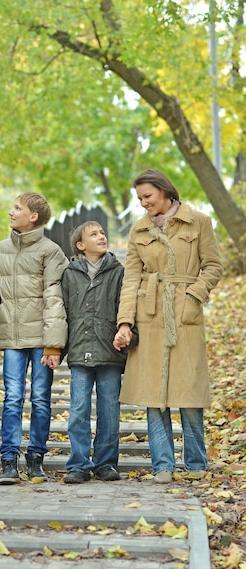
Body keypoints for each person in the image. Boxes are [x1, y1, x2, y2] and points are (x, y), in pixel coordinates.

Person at [113, 169, 222, 484]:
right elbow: (131, 278)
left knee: (188, 391)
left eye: (147, 196)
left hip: (185, 313)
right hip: (150, 314)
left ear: (163, 191)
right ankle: (162, 464)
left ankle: (196, 462)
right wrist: (125, 322)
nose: (143, 203)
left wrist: (194, 295)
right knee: (152, 392)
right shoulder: (139, 230)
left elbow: (213, 265)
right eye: (139, 199)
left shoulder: (198, 221)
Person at [0, 192, 68, 485]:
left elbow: (54, 298)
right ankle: (8, 460)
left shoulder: (51, 251)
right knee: (12, 398)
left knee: (41, 399)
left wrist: (53, 344)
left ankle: (36, 458)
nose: (11, 212)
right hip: (12, 337)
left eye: (17, 208)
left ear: (33, 216)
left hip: (40, 338)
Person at [61, 221, 138, 484]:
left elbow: (128, 308)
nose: (101, 236)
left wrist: (127, 334)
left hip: (110, 352)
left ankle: (106, 462)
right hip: (80, 352)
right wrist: (56, 349)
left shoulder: (119, 272)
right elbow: (63, 314)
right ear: (81, 245)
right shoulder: (69, 274)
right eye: (94, 234)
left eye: (103, 232)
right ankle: (79, 464)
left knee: (109, 410)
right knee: (79, 409)